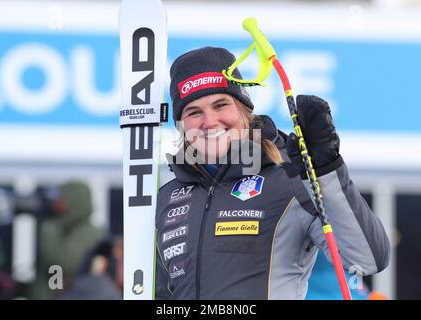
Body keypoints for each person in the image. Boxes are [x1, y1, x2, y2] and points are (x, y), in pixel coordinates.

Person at [155, 46, 390, 299]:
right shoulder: (169, 196)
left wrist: (326, 172)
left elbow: (367, 260)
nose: (209, 122)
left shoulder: (289, 179)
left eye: (221, 105)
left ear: (245, 111)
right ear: (181, 125)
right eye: (193, 112)